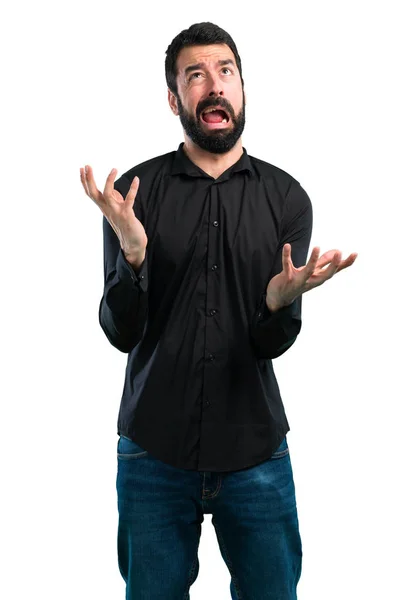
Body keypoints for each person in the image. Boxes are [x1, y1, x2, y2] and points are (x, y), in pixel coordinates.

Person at [80, 21, 357, 600]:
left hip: (256, 452)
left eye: (225, 72)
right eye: (196, 74)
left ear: (242, 88)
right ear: (174, 97)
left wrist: (281, 305)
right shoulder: (135, 193)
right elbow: (120, 331)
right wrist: (133, 256)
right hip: (153, 451)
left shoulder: (286, 199)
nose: (214, 86)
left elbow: (269, 344)